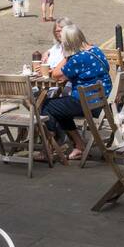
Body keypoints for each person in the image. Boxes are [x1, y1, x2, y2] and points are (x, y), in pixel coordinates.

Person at [45, 23, 111, 160]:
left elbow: (56, 74)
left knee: (47, 106)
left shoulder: (77, 58)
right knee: (61, 106)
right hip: (104, 101)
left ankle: (52, 145)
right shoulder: (96, 50)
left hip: (88, 103)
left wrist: (66, 55)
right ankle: (78, 144)